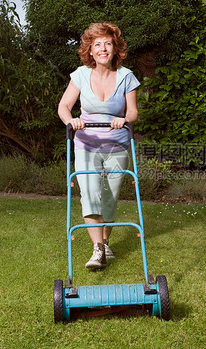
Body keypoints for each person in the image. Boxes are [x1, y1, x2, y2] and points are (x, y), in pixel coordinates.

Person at [58, 22, 140, 270]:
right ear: (90, 51)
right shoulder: (80, 75)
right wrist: (71, 120)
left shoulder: (126, 76)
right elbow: (63, 107)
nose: (103, 49)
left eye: (108, 44)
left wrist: (124, 119)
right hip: (86, 144)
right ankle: (97, 250)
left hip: (117, 145)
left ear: (115, 49)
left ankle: (105, 243)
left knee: (109, 198)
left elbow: (134, 112)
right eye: (97, 45)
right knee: (90, 194)